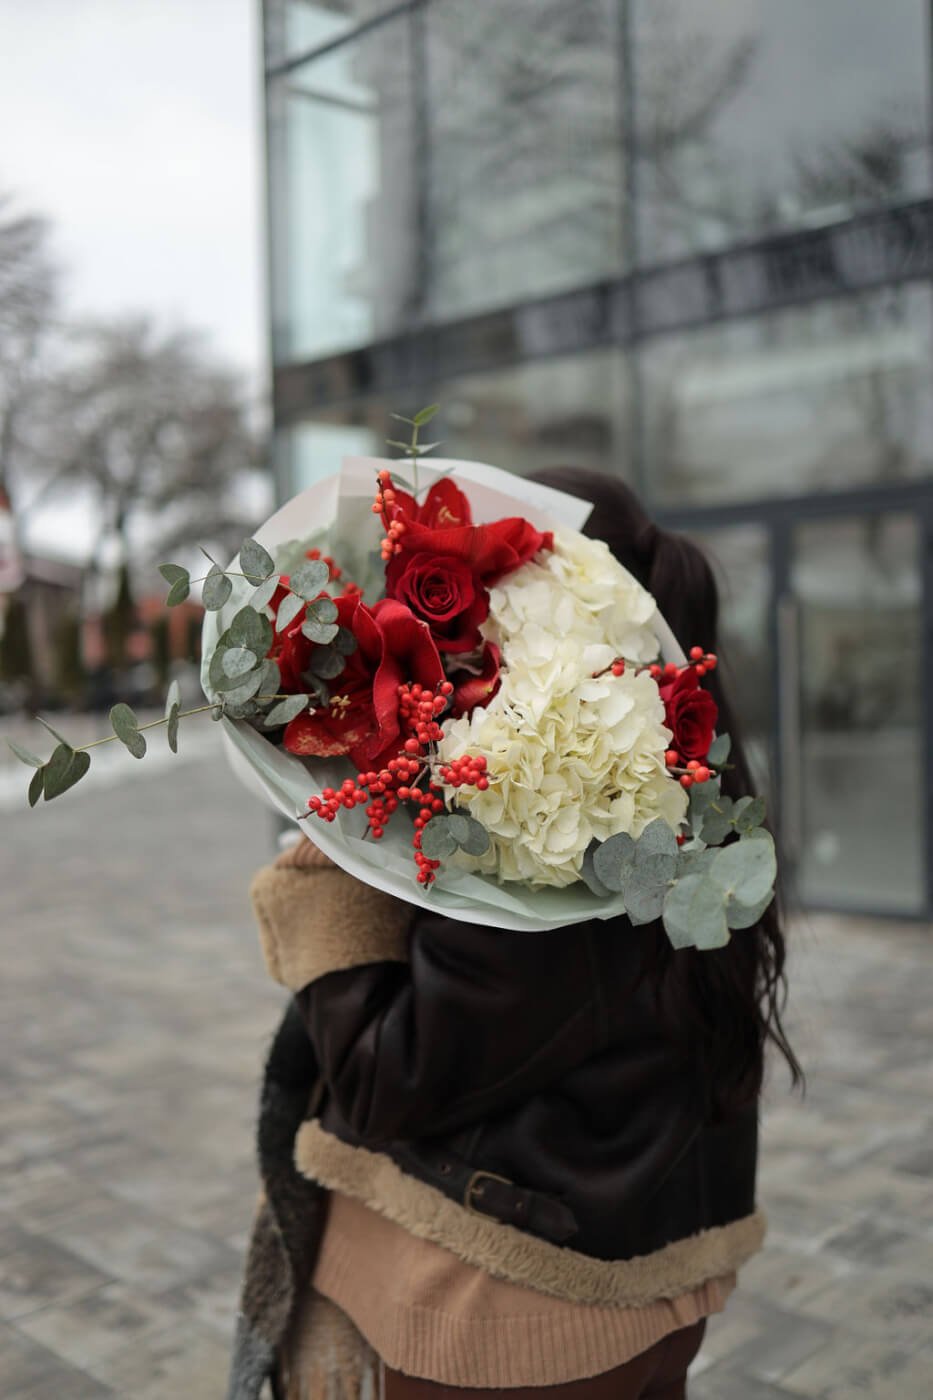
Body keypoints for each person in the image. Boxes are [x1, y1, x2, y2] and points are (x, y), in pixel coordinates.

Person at [228, 468, 801, 1400]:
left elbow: (384, 1080)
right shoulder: (680, 805)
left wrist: (327, 875)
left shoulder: (540, 844)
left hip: (511, 1313)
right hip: (648, 1285)